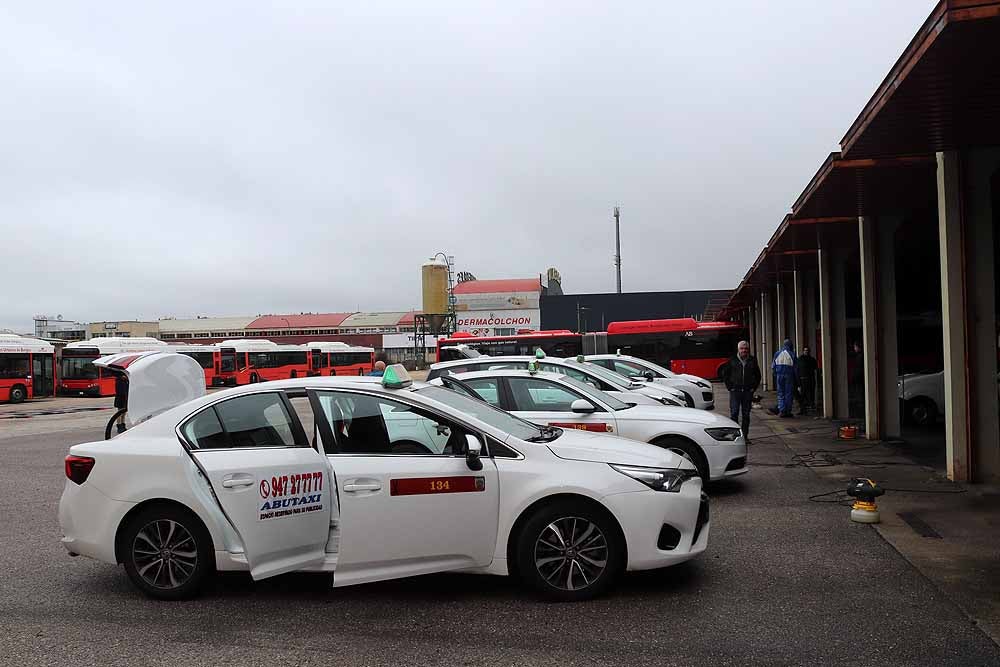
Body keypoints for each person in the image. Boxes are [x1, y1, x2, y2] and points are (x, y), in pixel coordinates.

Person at [722, 340, 761, 444]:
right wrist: (730, 387)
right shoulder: (732, 360)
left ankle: (745, 437)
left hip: (747, 392)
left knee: (746, 415)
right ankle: (735, 436)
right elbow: (725, 374)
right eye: (742, 348)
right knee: (734, 414)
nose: (744, 350)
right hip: (735, 392)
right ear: (738, 349)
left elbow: (758, 375)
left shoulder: (752, 360)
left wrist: (753, 388)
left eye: (746, 348)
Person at [772, 339, 797, 418]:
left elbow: (773, 366)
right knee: (788, 394)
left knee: (780, 394)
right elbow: (796, 369)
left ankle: (782, 410)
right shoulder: (792, 354)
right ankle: (788, 411)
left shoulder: (777, 353)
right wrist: (797, 380)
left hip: (779, 376)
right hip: (789, 376)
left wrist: (775, 374)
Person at [796, 346, 818, 415]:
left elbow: (815, 369)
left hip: (810, 379)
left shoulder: (812, 359)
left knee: (810, 394)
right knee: (803, 395)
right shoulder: (800, 359)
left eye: (807, 350)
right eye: (805, 350)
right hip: (803, 379)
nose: (806, 351)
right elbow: (798, 371)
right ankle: (803, 408)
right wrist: (798, 383)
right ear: (803, 351)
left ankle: (810, 406)